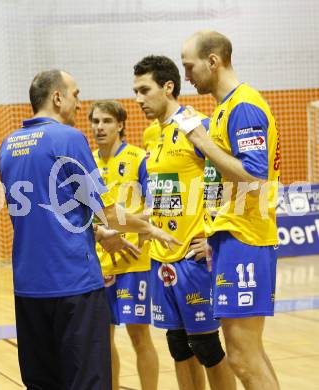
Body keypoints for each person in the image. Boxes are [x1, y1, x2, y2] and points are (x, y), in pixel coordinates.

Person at [0, 69, 180, 390]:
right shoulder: (68, 138)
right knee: (88, 381)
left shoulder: (8, 146)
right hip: (73, 285)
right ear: (57, 97)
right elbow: (109, 213)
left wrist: (96, 233)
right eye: (75, 95)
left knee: (42, 382)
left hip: (27, 288)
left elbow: (48, 213)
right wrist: (149, 228)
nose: (79, 105)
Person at [177, 31, 280, 389]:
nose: (186, 75)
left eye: (189, 66)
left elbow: (254, 175)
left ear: (213, 61)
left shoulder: (243, 107)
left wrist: (202, 142)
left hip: (246, 239)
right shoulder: (223, 110)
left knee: (241, 356)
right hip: (230, 238)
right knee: (249, 354)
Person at [133, 55, 236, 390]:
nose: (138, 99)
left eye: (144, 90)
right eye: (135, 91)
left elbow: (232, 180)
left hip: (194, 260)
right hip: (162, 257)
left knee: (206, 347)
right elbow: (165, 193)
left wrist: (214, 236)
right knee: (178, 346)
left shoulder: (197, 125)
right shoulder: (150, 135)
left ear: (168, 86)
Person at [88, 100, 159, 390]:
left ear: (120, 124)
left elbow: (155, 206)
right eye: (95, 121)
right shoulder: (87, 161)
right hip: (98, 260)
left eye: (106, 121)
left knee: (139, 335)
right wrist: (101, 230)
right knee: (103, 339)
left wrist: (124, 226)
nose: (99, 127)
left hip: (134, 261)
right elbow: (83, 210)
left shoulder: (139, 158)